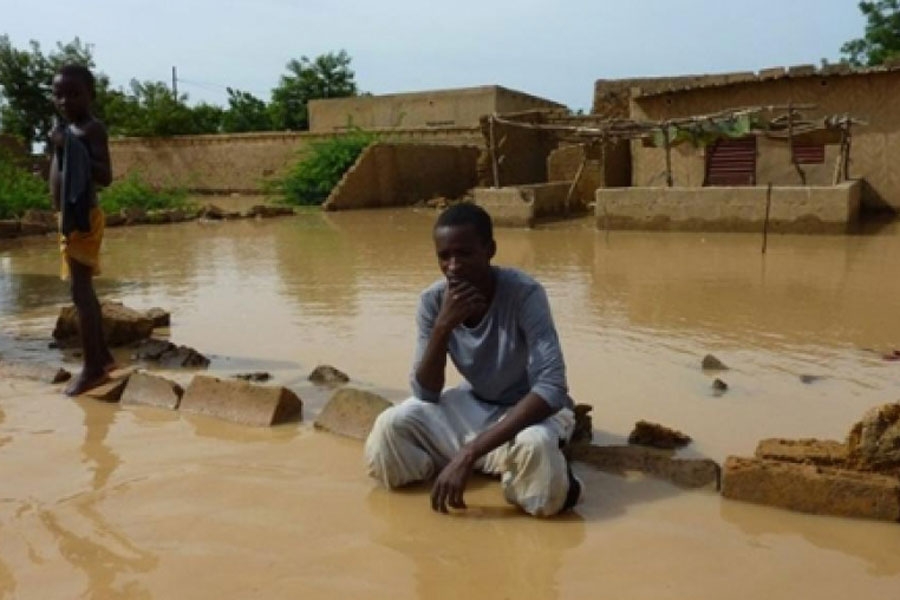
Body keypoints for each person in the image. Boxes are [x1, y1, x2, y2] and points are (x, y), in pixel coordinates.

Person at [365, 203, 582, 516]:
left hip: (528, 409)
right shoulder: (432, 301)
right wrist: (442, 327)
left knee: (536, 451)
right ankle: (488, 465)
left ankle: (556, 480)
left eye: (464, 254)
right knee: (389, 427)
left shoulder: (524, 294)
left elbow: (551, 387)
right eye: (444, 256)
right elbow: (426, 392)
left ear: (489, 250)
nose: (453, 266)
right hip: (475, 402)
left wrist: (468, 453)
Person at [49, 64, 114, 396]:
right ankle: (102, 355)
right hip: (69, 219)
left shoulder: (90, 129)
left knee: (80, 292)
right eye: (58, 94)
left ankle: (93, 370)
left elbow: (105, 175)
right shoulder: (63, 128)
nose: (65, 100)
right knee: (82, 290)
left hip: (83, 218)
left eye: (73, 94)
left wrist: (68, 146)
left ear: (91, 95)